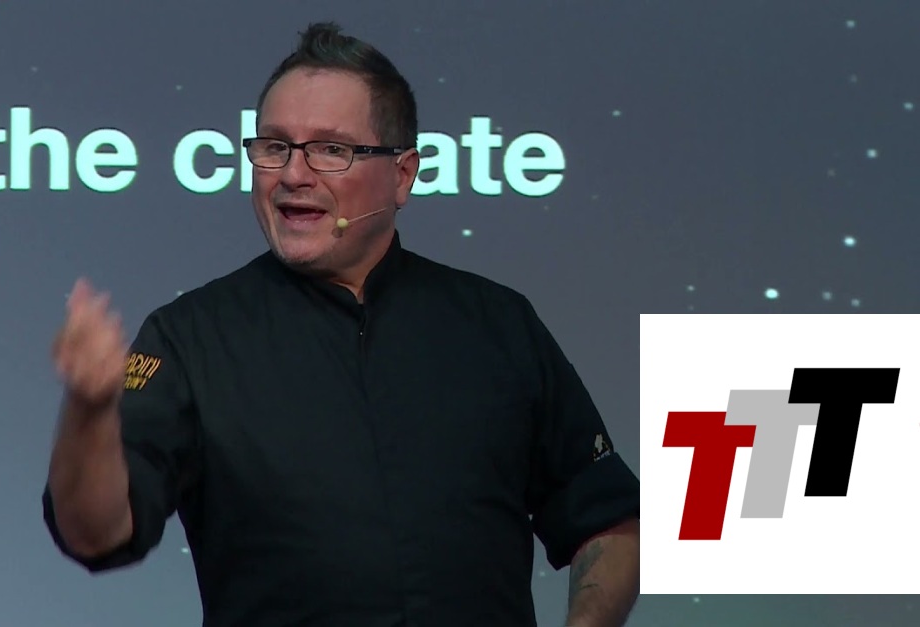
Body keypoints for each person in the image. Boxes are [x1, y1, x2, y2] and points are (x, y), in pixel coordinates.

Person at [43, 21, 640, 627]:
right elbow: (97, 532)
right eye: (274, 147)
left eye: (332, 150)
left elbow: (611, 523)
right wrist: (88, 411)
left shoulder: (499, 324)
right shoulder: (190, 339)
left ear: (402, 175)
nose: (293, 174)